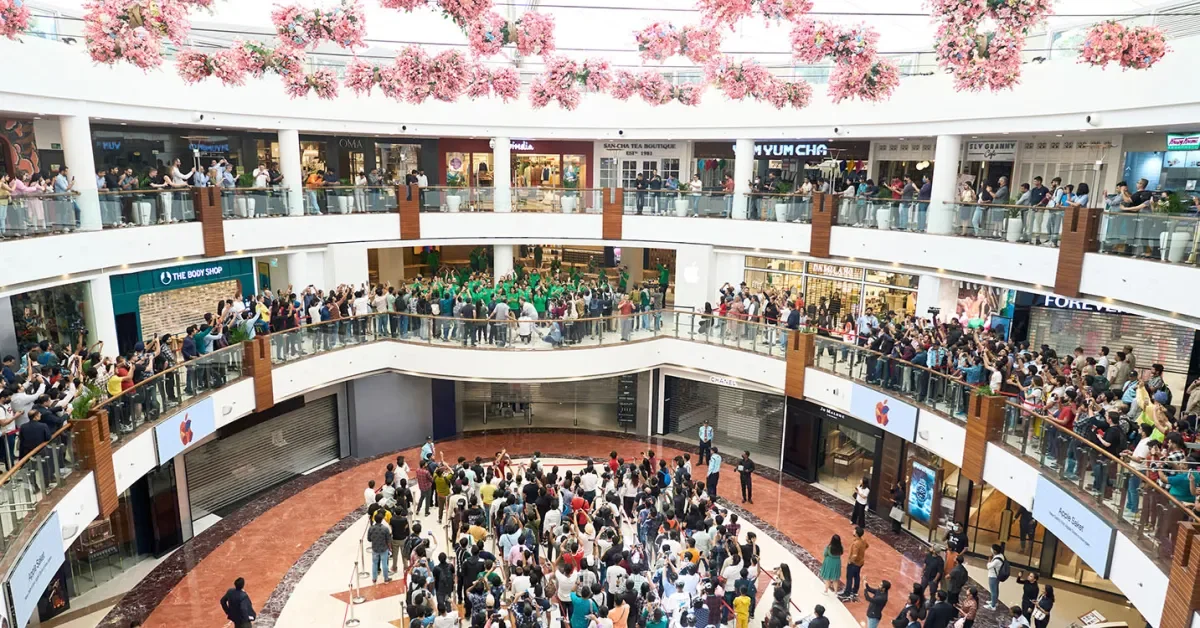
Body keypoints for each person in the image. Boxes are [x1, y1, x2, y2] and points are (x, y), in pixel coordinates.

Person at [840, 526, 867, 601]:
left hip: (854, 563)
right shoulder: (863, 540)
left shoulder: (856, 544)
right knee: (856, 576)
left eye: (854, 531)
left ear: (857, 534)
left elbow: (854, 555)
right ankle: (855, 590)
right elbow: (867, 546)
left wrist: (850, 561)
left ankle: (847, 592)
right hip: (860, 562)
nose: (853, 531)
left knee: (849, 577)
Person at [368, 509, 393, 584]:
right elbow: (388, 540)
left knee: (374, 563)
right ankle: (386, 579)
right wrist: (390, 548)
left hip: (375, 549)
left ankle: (374, 579)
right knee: (384, 563)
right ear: (382, 520)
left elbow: (369, 539)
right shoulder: (385, 529)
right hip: (384, 549)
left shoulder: (371, 528)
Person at [986, 544, 1006, 610]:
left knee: (993, 591)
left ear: (995, 551)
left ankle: (993, 606)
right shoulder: (1001, 556)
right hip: (996, 576)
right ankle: (994, 601)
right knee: (996, 590)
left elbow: (989, 566)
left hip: (993, 576)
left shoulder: (997, 560)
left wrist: (989, 559)